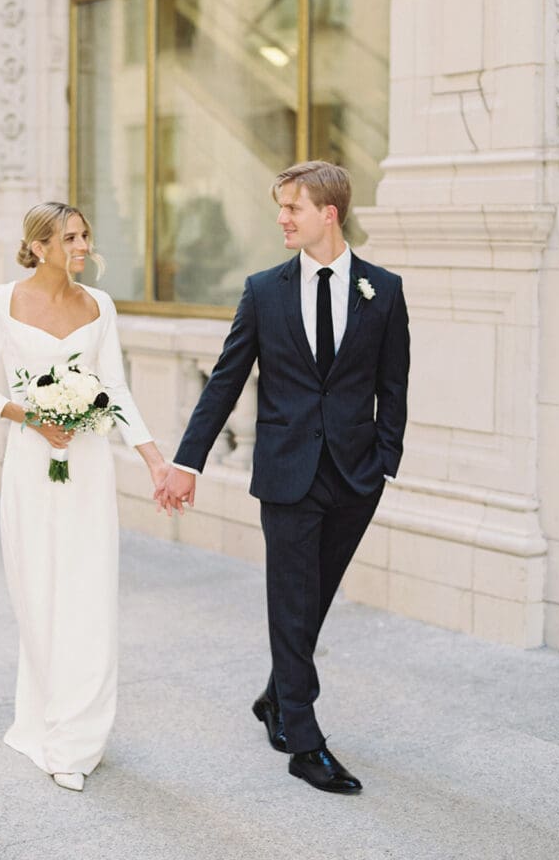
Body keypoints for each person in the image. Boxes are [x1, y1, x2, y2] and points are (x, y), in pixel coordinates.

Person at [156, 160, 410, 795]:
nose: (281, 219)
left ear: (329, 213)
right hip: (287, 472)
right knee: (292, 599)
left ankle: (275, 697)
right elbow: (225, 381)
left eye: (292, 207)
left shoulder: (383, 289)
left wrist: (385, 460)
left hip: (356, 475)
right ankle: (303, 738)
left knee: (313, 599)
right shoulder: (264, 291)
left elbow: (394, 385)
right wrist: (187, 462)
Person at [0, 202, 167, 792]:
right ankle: (45, 719)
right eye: (70, 238)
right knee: (37, 593)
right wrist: (29, 416)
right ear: (40, 246)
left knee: (89, 593)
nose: (82, 246)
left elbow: (116, 389)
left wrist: (154, 459)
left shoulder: (99, 306)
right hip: (31, 464)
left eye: (84, 235)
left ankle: (76, 741)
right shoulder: (0, 301)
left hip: (88, 465)